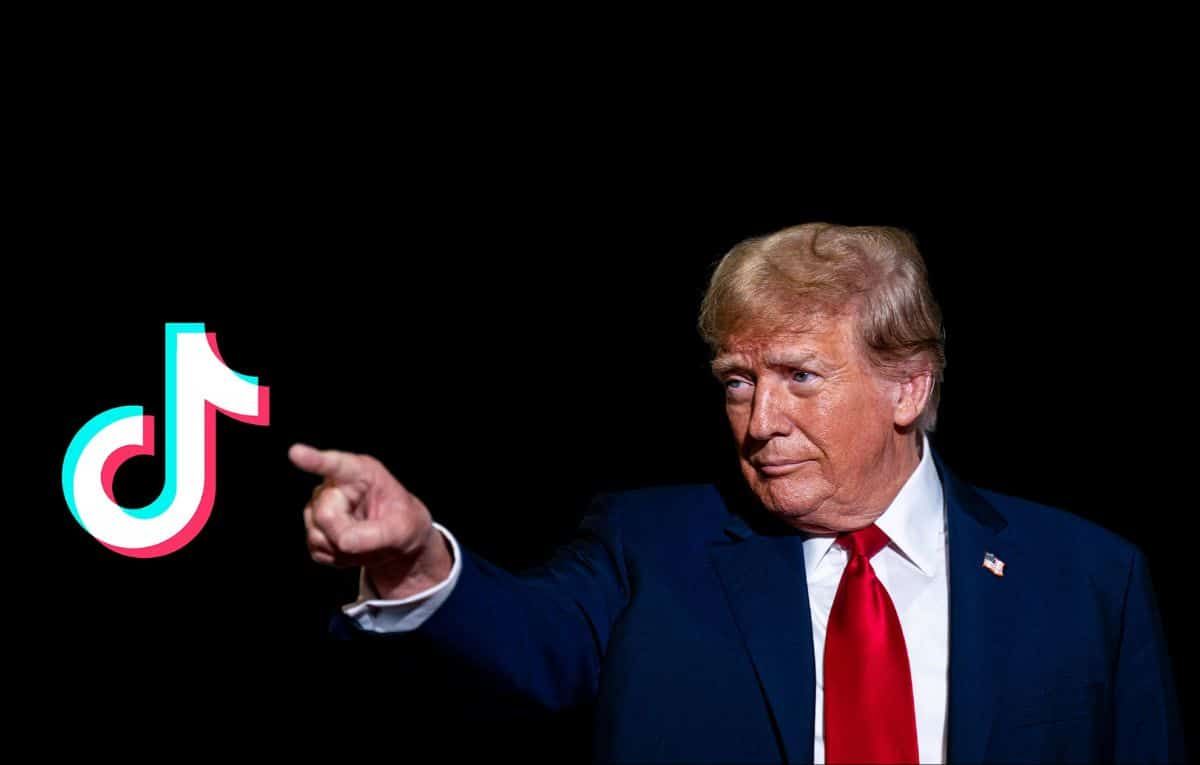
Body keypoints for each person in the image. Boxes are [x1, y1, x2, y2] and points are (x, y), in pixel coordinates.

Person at [290, 223, 1185, 763]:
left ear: (907, 387)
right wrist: (416, 561)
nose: (759, 422)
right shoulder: (650, 547)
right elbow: (531, 641)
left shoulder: (1087, 579)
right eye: (736, 382)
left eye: (800, 376)